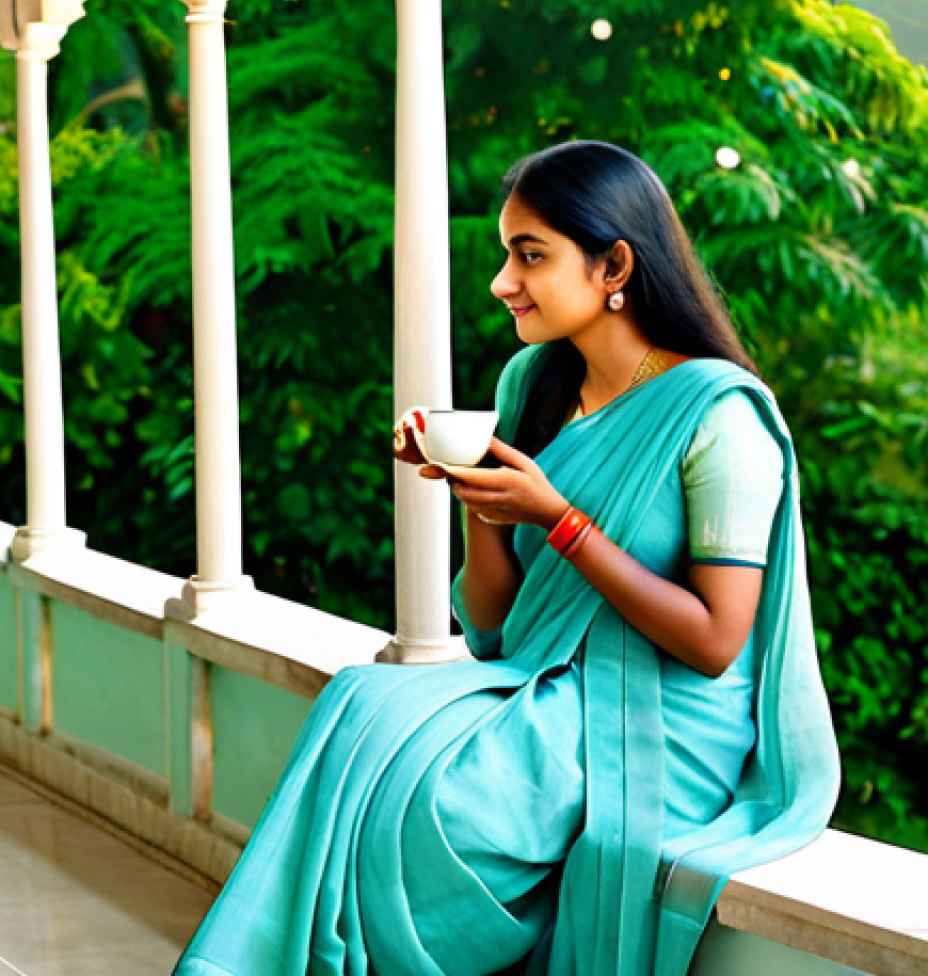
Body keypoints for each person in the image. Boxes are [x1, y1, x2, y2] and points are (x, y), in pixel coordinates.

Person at [173, 141, 839, 976]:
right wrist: (478, 496)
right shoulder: (536, 383)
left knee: (445, 807)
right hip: (540, 682)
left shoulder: (721, 417)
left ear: (614, 265)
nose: (503, 282)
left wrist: (559, 519)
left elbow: (714, 644)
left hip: (661, 722)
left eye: (531, 256)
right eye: (505, 254)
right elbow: (491, 627)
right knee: (360, 702)